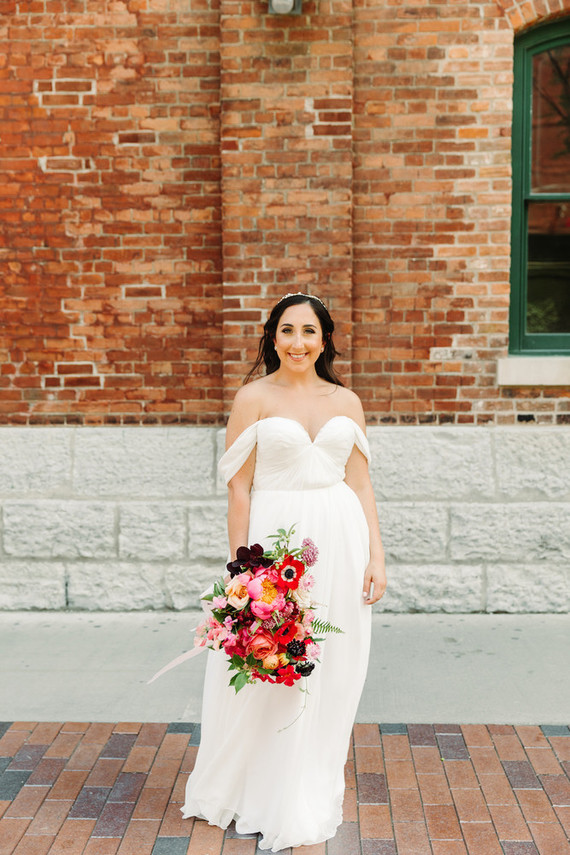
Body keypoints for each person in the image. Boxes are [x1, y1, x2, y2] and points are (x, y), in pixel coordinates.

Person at [182, 292, 387, 851]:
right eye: (288, 331)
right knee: (273, 662)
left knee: (333, 664)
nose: (299, 343)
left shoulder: (348, 401)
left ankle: (308, 781)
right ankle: (262, 787)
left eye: (310, 332)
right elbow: (239, 488)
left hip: (340, 542)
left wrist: (377, 553)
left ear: (325, 340)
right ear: (273, 337)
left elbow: (362, 483)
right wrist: (242, 573)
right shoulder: (253, 397)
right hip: (278, 548)